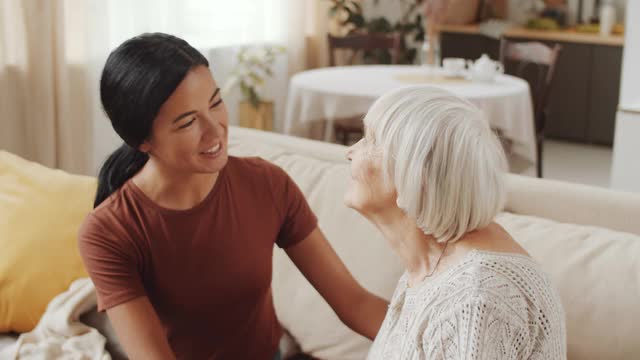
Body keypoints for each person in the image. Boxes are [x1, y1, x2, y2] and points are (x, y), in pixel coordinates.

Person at [78, 33, 388, 360]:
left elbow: (355, 303)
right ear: (142, 141)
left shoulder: (267, 184)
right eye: (187, 122)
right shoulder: (109, 231)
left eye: (215, 103)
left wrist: (431, 339)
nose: (215, 131)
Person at [345, 86, 567, 359]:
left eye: (370, 140)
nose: (350, 151)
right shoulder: (434, 267)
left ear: (415, 174)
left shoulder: (475, 297)